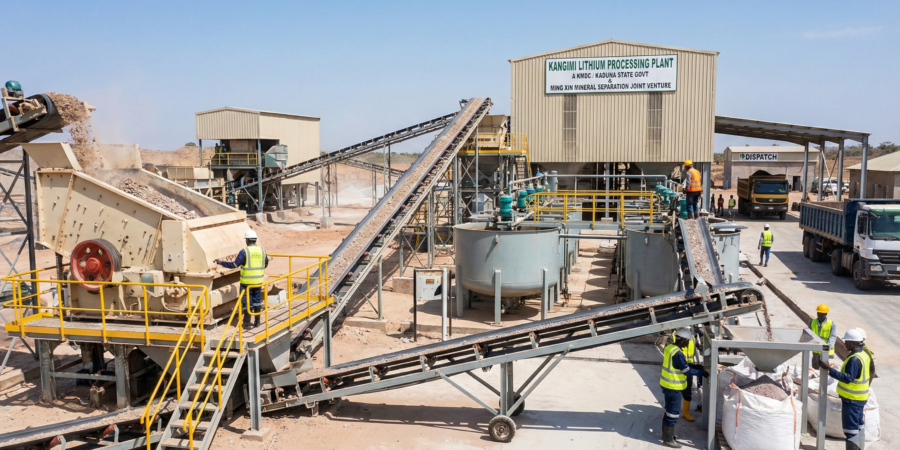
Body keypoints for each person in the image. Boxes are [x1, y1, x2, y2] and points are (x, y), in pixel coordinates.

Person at [818, 329, 871, 450]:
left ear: (853, 342)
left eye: (846, 342)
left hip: (852, 400)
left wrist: (829, 369)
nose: (845, 344)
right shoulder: (864, 355)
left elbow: (848, 378)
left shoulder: (854, 359)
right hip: (860, 398)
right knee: (859, 426)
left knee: (850, 430)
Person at [659, 328, 704, 448]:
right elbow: (686, 371)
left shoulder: (670, 348)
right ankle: (668, 440)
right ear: (683, 340)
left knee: (668, 410)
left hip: (667, 385)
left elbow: (680, 365)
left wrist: (697, 367)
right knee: (673, 412)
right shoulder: (678, 353)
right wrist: (701, 372)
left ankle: (666, 436)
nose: (688, 343)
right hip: (674, 387)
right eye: (687, 341)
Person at [214, 229, 269, 328]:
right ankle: (257, 322)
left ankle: (247, 323)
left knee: (246, 302)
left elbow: (235, 264)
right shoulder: (262, 250)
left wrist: (221, 262)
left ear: (247, 240)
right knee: (257, 301)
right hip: (258, 281)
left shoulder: (245, 252)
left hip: (246, 283)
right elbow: (266, 263)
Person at [670, 328, 703, 421]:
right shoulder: (673, 337)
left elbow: (699, 348)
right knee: (675, 390)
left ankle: (685, 412)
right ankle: (671, 411)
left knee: (688, 391)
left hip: (688, 366)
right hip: (677, 367)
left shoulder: (692, 337)